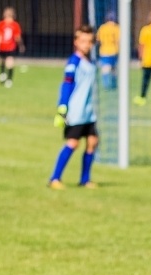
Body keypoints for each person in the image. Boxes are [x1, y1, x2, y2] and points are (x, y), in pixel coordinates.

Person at [48, 25, 99, 190]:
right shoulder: (74, 62)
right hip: (76, 111)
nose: (86, 44)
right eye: (83, 41)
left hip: (89, 112)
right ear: (76, 42)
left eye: (89, 41)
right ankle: (55, 178)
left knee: (92, 141)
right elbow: (67, 85)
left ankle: (85, 179)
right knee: (73, 143)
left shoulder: (89, 62)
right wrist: (62, 107)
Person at [0, 7, 25, 88]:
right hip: (10, 47)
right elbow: (17, 37)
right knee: (10, 62)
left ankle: (2, 74)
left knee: (2, 61)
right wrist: (21, 45)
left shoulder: (1, 24)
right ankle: (9, 80)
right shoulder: (15, 25)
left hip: (2, 46)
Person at [96, 12, 120, 90]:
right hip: (114, 51)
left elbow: (98, 39)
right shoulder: (116, 28)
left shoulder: (102, 28)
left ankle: (106, 84)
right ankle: (113, 84)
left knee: (105, 68)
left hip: (104, 51)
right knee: (114, 68)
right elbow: (118, 40)